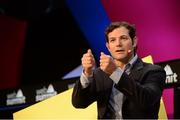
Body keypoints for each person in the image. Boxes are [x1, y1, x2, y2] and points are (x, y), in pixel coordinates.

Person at [72, 21, 166, 119]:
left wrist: (115, 72)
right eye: (112, 40)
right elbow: (79, 103)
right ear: (108, 47)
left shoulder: (153, 71)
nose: (118, 44)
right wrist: (87, 73)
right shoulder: (100, 74)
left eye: (123, 38)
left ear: (134, 42)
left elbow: (146, 100)